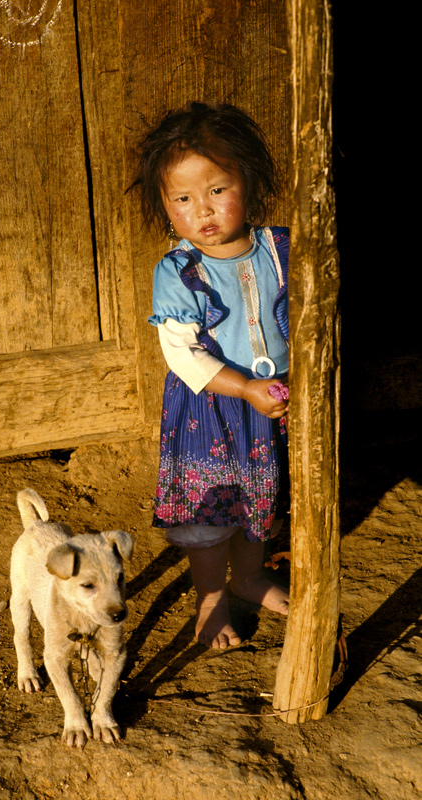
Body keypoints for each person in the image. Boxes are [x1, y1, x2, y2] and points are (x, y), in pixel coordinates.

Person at [132, 101, 290, 649]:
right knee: (212, 510)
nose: (203, 208)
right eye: (183, 198)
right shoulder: (178, 271)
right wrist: (244, 385)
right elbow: (183, 355)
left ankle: (247, 578)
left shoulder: (279, 248)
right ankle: (211, 599)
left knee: (259, 501)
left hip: (270, 404)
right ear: (166, 205)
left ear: (250, 181)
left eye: (217, 189)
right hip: (210, 409)